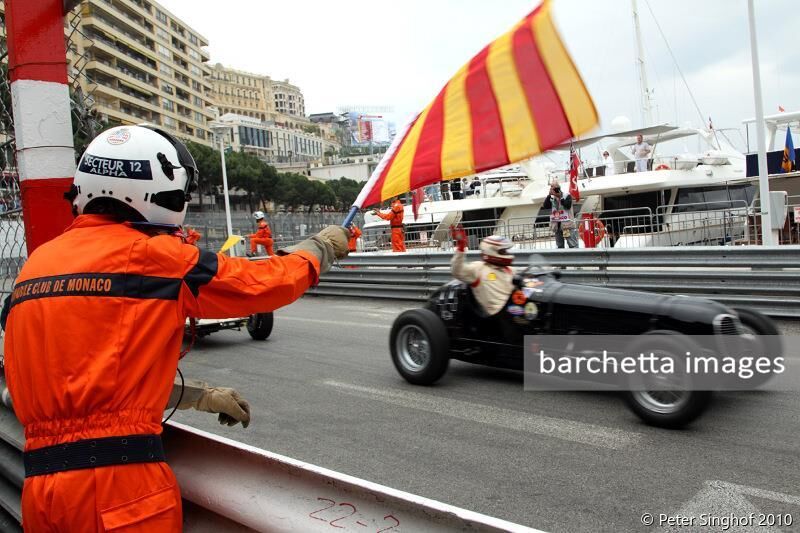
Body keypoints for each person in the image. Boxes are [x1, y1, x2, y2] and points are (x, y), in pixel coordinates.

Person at [2, 124, 349, 532]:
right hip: (120, 491)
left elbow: (88, 380)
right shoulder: (155, 257)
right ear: (157, 190)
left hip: (42, 492)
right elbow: (263, 282)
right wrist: (320, 248)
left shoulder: (35, 268)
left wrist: (199, 397)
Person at [450, 227, 515, 316]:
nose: (507, 254)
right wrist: (461, 246)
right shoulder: (478, 269)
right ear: (491, 251)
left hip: (514, 311)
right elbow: (457, 271)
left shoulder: (510, 270)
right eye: (503, 251)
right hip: (496, 317)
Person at [543, 180, 578, 248]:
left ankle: (575, 257)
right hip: (557, 225)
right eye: (551, 188)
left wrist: (560, 197)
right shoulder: (551, 198)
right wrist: (549, 195)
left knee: (572, 244)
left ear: (558, 188)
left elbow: (567, 206)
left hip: (567, 225)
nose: (553, 190)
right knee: (559, 246)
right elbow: (545, 206)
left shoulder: (566, 195)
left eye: (554, 188)